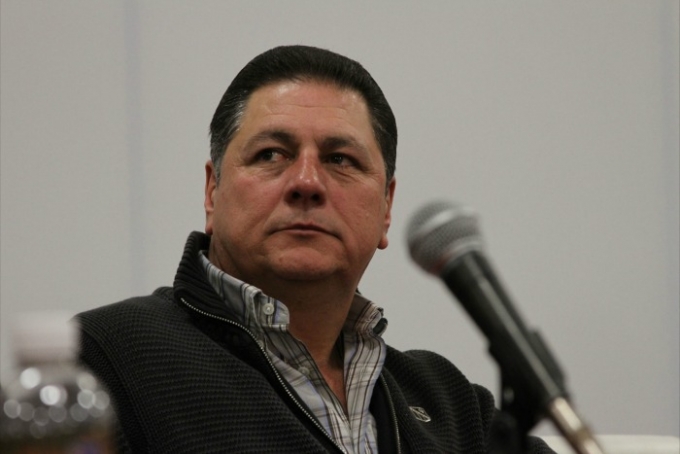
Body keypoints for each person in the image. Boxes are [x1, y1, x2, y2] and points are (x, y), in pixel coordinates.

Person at [77, 45, 554, 453]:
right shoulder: (102, 362)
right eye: (271, 154)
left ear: (386, 207)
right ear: (212, 191)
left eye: (340, 159)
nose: (306, 183)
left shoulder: (455, 407)